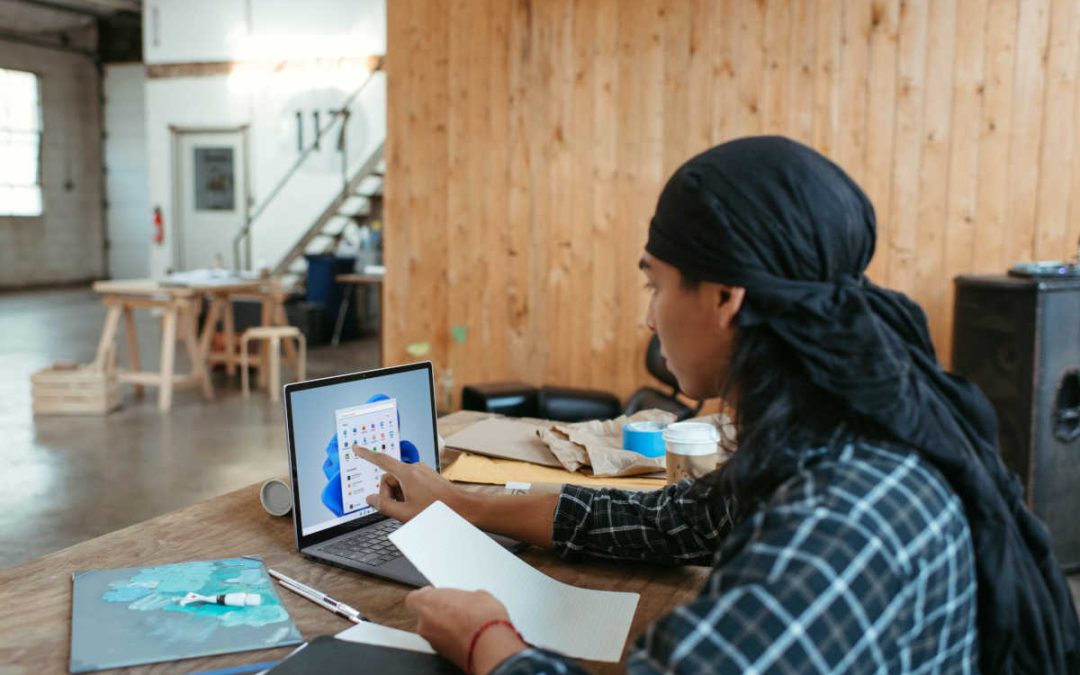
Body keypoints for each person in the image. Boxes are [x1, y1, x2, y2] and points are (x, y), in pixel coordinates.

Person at [354, 136, 1080, 674]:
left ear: (727, 298)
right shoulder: (833, 434)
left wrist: (485, 638)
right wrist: (459, 500)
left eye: (656, 284)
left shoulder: (843, 519)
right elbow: (672, 518)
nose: (649, 317)